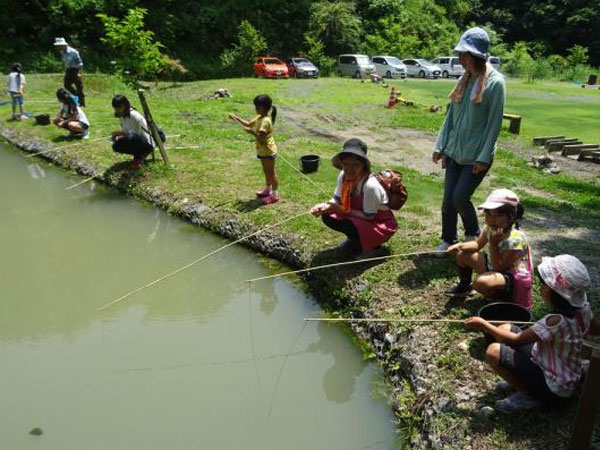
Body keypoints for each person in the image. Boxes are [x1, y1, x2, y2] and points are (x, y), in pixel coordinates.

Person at [465, 254, 600, 412]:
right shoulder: (583, 310)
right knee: (505, 328)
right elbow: (596, 330)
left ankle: (528, 395)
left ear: (551, 292)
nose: (541, 288)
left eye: (543, 285)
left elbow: (516, 339)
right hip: (560, 371)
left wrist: (484, 325)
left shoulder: (554, 321)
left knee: (493, 352)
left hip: (554, 388)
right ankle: (524, 380)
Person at [432, 27, 506, 252]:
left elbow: (494, 125)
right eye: (460, 54)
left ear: (477, 56)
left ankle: (473, 234)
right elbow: (450, 118)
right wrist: (440, 146)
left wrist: (483, 157)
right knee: (448, 203)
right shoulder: (464, 80)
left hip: (476, 156)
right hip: (455, 152)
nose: (460, 59)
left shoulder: (495, 83)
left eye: (464, 54)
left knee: (460, 198)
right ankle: (448, 239)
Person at [310, 139, 398, 259]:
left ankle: (374, 249)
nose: (349, 169)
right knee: (328, 215)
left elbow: (369, 216)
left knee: (348, 223)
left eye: (355, 165)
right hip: (359, 216)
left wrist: (341, 210)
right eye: (346, 164)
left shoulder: (370, 186)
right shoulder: (343, 176)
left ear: (363, 166)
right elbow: (337, 199)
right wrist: (325, 206)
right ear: (341, 163)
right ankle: (354, 241)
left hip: (379, 223)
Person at [447, 189, 532, 308]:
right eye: (488, 214)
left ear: (511, 217)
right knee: (462, 255)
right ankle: (464, 287)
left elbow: (500, 268)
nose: (491, 219)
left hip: (510, 276)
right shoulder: (490, 228)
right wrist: (460, 246)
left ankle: (499, 297)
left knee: (481, 283)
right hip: (494, 265)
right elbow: (477, 245)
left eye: (498, 215)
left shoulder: (515, 239)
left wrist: (493, 243)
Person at [229, 94, 280, 205]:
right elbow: (249, 123)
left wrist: (251, 132)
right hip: (262, 150)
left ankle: (275, 195)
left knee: (271, 172)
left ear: (263, 108)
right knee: (266, 171)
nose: (255, 109)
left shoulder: (265, 121)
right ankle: (268, 189)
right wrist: (236, 118)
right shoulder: (259, 117)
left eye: (257, 107)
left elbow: (262, 138)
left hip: (268, 150)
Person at [110, 95, 154, 169]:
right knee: (116, 146)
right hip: (136, 140)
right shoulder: (122, 116)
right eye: (115, 108)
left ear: (123, 106)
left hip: (146, 143)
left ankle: (140, 157)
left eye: (118, 108)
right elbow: (126, 131)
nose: (116, 110)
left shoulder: (134, 115)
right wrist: (116, 137)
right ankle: (139, 155)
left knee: (133, 138)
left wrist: (119, 133)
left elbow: (135, 135)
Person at [54, 37, 86, 107]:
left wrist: (79, 73)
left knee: (79, 87)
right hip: (68, 70)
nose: (58, 47)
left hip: (76, 69)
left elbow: (80, 63)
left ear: (64, 45)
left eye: (59, 46)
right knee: (66, 85)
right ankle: (76, 97)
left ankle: (82, 103)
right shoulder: (62, 52)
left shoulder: (73, 52)